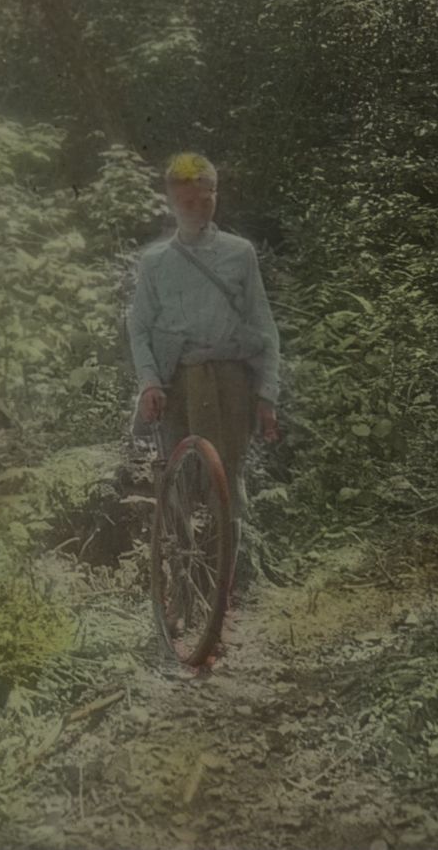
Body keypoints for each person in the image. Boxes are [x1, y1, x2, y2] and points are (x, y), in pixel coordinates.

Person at [127, 151, 281, 577]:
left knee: (227, 477)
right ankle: (181, 577)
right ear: (172, 204)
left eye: (205, 200)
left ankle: (230, 582)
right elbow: (138, 327)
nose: (196, 210)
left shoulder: (239, 253)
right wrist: (148, 383)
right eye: (186, 203)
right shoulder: (156, 261)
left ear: (216, 196)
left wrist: (268, 393)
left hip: (230, 380)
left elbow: (263, 325)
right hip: (176, 381)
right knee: (177, 479)